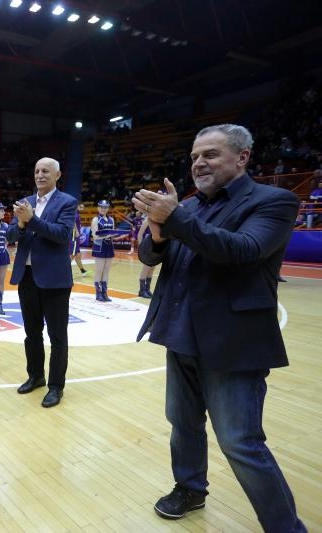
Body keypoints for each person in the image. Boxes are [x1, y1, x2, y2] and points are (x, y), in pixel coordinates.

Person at [133, 124, 306, 532]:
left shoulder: (273, 201)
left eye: (210, 154)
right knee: (183, 424)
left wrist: (175, 218)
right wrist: (159, 235)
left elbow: (243, 250)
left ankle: (285, 527)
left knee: (240, 443)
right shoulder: (188, 207)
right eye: (194, 156)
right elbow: (151, 256)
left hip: (233, 342)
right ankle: (190, 488)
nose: (199, 163)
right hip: (179, 334)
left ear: (242, 157)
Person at [7, 158, 77, 408]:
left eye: (46, 171)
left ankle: (56, 386)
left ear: (57, 175)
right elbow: (11, 234)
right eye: (37, 170)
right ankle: (36, 376)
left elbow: (62, 235)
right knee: (32, 333)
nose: (40, 175)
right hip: (27, 277)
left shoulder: (67, 202)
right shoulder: (25, 201)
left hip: (55, 280)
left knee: (57, 337)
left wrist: (32, 219)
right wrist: (21, 223)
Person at [91, 199, 116, 302]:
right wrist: (107, 235)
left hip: (109, 247)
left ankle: (105, 293)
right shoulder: (95, 220)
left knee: (106, 271)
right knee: (99, 271)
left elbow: (112, 234)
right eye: (101, 207)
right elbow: (95, 236)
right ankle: (98, 294)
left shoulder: (111, 220)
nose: (103, 209)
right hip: (99, 247)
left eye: (105, 207)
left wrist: (114, 235)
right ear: (98, 208)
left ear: (108, 208)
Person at [136, 214, 154, 298]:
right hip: (147, 247)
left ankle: (147, 289)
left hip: (155, 247)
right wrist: (141, 248)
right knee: (146, 269)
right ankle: (142, 291)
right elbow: (140, 234)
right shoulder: (147, 219)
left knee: (151, 269)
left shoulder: (157, 219)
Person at [69, 203, 89, 277]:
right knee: (72, 254)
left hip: (76, 236)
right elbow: (73, 222)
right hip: (74, 235)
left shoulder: (77, 213)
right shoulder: (74, 213)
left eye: (83, 207)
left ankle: (83, 271)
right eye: (80, 207)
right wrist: (76, 231)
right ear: (77, 206)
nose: (82, 208)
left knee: (78, 254)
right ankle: (64, 271)